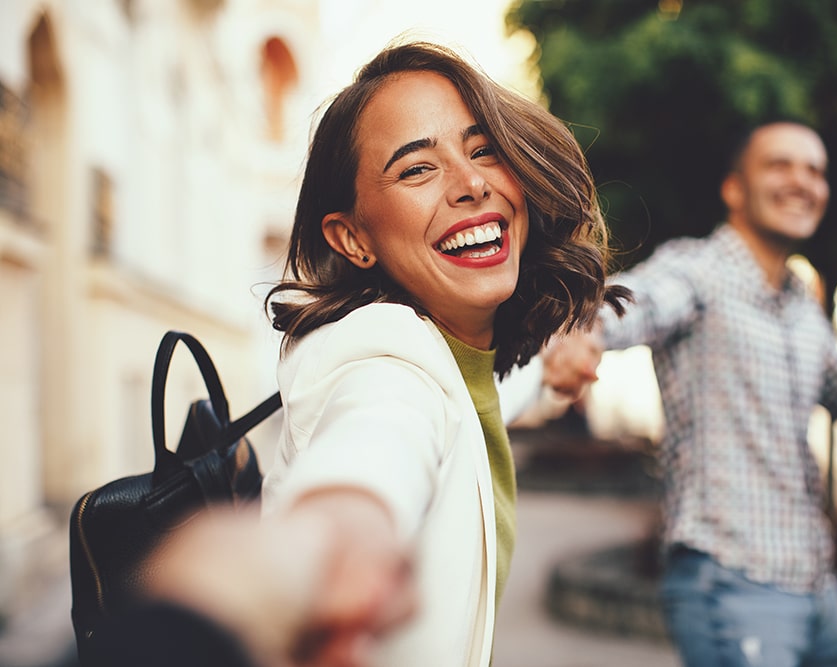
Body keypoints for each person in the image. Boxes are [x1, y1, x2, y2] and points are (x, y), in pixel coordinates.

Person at [90, 40, 628, 667]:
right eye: (416, 169)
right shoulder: (382, 357)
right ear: (352, 237)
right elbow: (379, 443)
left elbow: (478, 405)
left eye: (483, 150)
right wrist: (331, 535)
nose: (472, 183)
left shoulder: (456, 358)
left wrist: (554, 361)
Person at [548, 119, 837, 667]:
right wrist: (584, 330)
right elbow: (635, 302)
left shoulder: (800, 302)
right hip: (731, 581)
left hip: (818, 587)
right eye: (780, 165)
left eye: (815, 170)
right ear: (734, 189)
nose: (802, 181)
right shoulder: (697, 269)